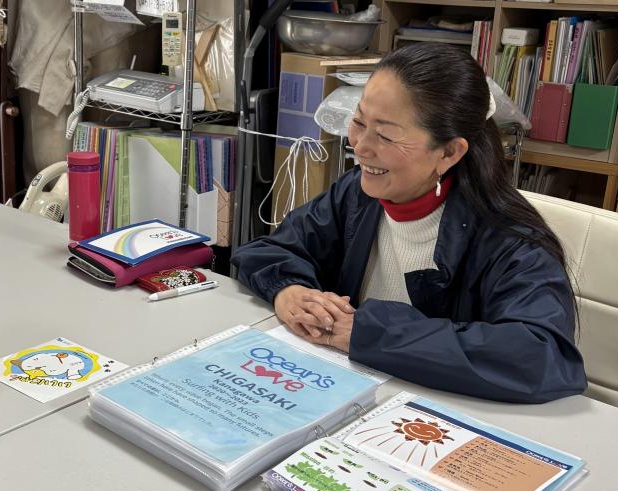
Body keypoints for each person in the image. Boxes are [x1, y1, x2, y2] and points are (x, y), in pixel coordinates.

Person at [232, 43, 586, 404]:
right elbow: (271, 250)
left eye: (385, 135)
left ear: (449, 152)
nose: (360, 146)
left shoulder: (511, 241)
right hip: (351, 394)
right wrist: (290, 291)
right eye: (358, 122)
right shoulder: (356, 195)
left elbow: (542, 356)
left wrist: (369, 334)